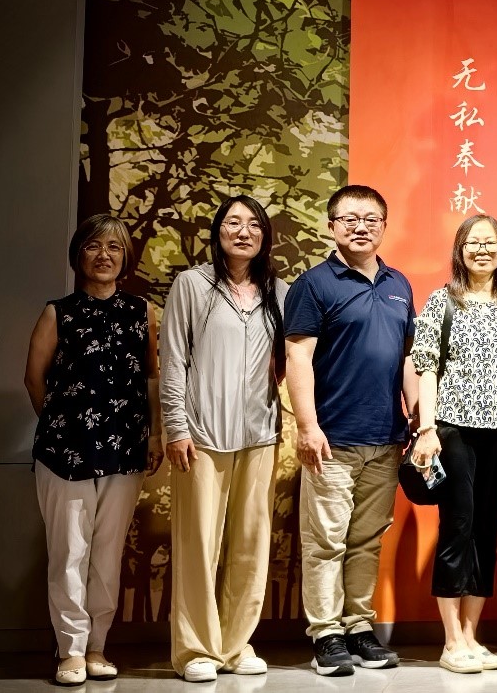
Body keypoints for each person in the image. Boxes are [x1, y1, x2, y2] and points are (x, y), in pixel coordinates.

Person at [23, 214, 164, 686]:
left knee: (106, 555)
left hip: (125, 451)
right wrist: (63, 425)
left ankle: (98, 646)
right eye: (93, 246)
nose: (104, 255)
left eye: (114, 247)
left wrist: (155, 435)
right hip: (65, 454)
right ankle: (70, 651)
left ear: (125, 257)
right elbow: (34, 379)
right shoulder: (57, 312)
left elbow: (150, 377)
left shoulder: (141, 312)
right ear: (78, 254)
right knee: (69, 553)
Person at [284, 184, 417, 676]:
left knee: (366, 540)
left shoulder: (398, 283)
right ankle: (326, 635)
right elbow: (298, 356)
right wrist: (307, 425)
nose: (361, 227)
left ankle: (359, 627)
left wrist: (417, 417)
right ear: (332, 226)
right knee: (325, 542)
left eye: (371, 219)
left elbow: (408, 357)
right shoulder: (314, 284)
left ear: (384, 226)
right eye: (350, 219)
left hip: (386, 438)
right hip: (331, 440)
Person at [160, 196, 288, 682]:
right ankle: (196, 650)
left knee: (251, 542)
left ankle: (236, 645)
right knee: (198, 544)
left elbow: (289, 359)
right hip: (201, 434)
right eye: (233, 222)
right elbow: (173, 360)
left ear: (264, 236)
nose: (243, 231)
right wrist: (176, 426)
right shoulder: (192, 285)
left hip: (260, 433)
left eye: (253, 224)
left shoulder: (278, 291)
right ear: (218, 231)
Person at [409, 215, 497, 673]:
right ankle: (450, 641)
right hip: (454, 429)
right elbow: (427, 368)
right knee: (457, 528)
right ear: (460, 250)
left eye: (491, 243)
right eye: (473, 243)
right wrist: (427, 429)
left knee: (486, 531)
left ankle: (472, 635)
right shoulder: (442, 301)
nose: (483, 250)